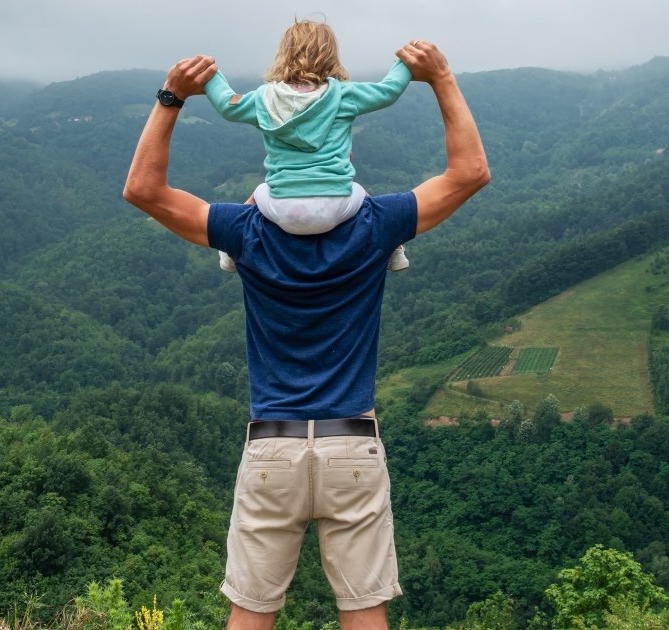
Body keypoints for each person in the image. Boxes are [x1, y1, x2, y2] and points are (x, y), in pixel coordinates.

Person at [123, 39, 488, 630]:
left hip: (272, 445)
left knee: (250, 615)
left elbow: (143, 189)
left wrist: (172, 98)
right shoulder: (376, 225)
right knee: (364, 611)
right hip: (353, 444)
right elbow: (470, 172)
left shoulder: (245, 230)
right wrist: (439, 76)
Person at [203, 20, 413, 273]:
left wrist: (211, 75)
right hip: (337, 205)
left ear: (284, 54)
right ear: (330, 54)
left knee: (261, 190)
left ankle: (228, 251)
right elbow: (388, 91)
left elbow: (228, 105)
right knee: (360, 193)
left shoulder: (264, 98)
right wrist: (406, 61)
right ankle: (395, 249)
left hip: (281, 208)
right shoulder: (343, 94)